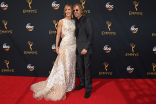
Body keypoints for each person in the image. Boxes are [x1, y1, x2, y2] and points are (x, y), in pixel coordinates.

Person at [30, 4, 76, 101]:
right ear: (64, 11)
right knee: (64, 66)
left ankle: (68, 84)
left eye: (69, 10)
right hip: (65, 46)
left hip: (73, 46)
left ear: (72, 11)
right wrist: (56, 47)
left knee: (71, 65)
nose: (68, 11)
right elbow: (58, 34)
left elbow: (73, 33)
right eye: (66, 10)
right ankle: (61, 85)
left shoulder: (73, 21)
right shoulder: (61, 21)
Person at [62, 4, 94, 98]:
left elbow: (91, 36)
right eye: (74, 10)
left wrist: (86, 48)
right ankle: (82, 83)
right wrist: (62, 35)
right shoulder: (75, 22)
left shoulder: (87, 20)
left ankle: (88, 89)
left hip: (86, 50)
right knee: (80, 68)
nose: (75, 11)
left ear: (81, 10)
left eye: (77, 10)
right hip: (77, 49)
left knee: (87, 70)